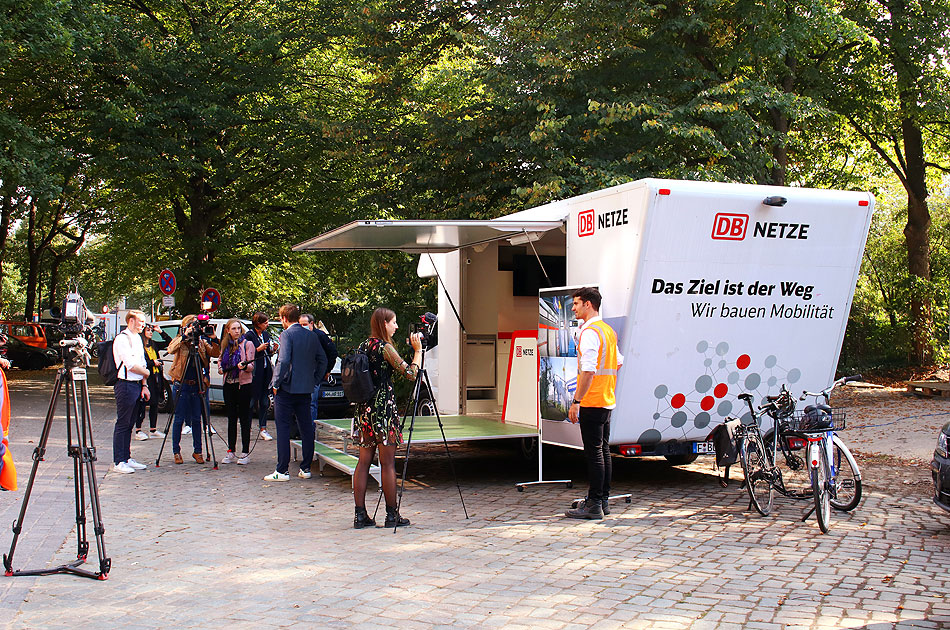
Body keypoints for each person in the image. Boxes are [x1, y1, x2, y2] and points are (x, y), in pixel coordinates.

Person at [352, 307, 422, 529]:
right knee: (388, 463)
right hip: (383, 411)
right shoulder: (385, 348)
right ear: (384, 324)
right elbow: (410, 374)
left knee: (363, 462)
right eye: (394, 322)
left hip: (365, 410)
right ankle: (392, 515)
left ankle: (360, 515)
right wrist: (418, 352)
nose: (397, 326)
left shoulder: (364, 345)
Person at [565, 287, 623, 519]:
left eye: (577, 303)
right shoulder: (607, 330)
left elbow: (588, 370)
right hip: (607, 398)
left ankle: (594, 504)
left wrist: (576, 400)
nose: (573, 308)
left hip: (592, 399)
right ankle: (602, 500)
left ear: (588, 304)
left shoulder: (589, 332)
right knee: (604, 451)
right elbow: (618, 361)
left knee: (594, 453)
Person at [263, 304, 327, 482]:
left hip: (287, 389)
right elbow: (323, 360)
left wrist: (275, 383)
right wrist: (314, 380)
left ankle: (282, 470)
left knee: (283, 428)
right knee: (306, 428)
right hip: (306, 389)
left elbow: (283, 361)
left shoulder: (287, 335)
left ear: (284, 318)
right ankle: (305, 467)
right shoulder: (312, 335)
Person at [167, 314, 219, 465]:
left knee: (197, 419)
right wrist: (185, 336)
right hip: (181, 385)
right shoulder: (181, 341)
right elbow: (171, 349)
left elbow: (215, 353)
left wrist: (214, 338)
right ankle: (176, 451)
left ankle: (198, 451)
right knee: (179, 419)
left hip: (197, 385)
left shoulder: (201, 343)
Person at [111, 310, 151, 474]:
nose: (143, 324)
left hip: (136, 384)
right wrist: (147, 373)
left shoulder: (137, 339)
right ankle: (118, 461)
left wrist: (144, 384)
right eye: (141, 321)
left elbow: (141, 362)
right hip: (125, 384)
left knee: (130, 423)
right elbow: (130, 364)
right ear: (131, 321)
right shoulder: (122, 339)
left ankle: (126, 457)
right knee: (123, 422)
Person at [218, 318, 255, 464]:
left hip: (243, 384)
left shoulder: (247, 344)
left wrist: (244, 366)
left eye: (238, 328)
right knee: (231, 418)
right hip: (229, 384)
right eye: (233, 329)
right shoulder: (225, 345)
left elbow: (251, 366)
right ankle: (231, 450)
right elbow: (221, 360)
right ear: (228, 330)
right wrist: (221, 368)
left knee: (244, 418)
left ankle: (245, 452)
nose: (237, 331)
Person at [299, 314, 338, 422]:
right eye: (300, 325)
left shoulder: (320, 336)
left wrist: (327, 371)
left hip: (314, 374)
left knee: (311, 403)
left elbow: (332, 353)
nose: (302, 327)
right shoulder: (299, 336)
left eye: (304, 324)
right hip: (302, 374)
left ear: (311, 324)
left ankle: (310, 428)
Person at [134, 324, 169, 440]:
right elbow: (139, 363)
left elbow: (170, 342)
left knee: (155, 403)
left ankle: (153, 429)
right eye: (148, 330)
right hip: (144, 377)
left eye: (151, 331)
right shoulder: (139, 346)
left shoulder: (153, 344)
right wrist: (152, 362)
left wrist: (160, 331)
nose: (150, 332)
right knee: (142, 404)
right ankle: (138, 430)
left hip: (155, 376)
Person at [244, 312, 276, 441]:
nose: (267, 325)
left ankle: (263, 428)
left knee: (264, 401)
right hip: (254, 373)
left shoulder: (265, 334)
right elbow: (246, 353)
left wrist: (272, 349)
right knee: (251, 401)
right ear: (258, 323)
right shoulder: (249, 335)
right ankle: (247, 427)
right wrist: (258, 349)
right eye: (265, 323)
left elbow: (267, 352)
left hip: (265, 372)